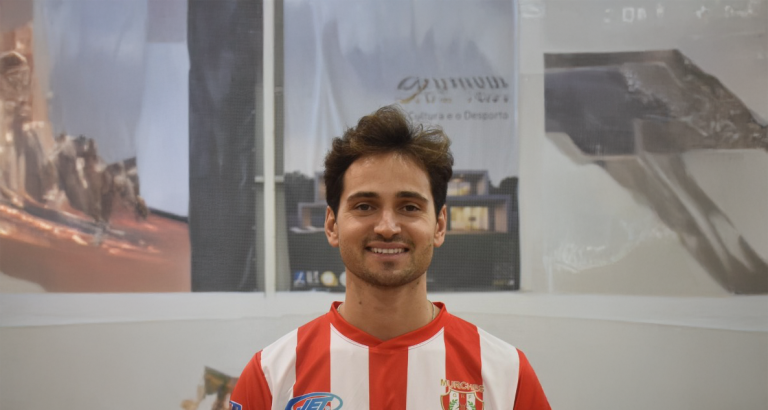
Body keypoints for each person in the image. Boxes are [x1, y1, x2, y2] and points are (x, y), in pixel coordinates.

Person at [230, 105, 550, 410]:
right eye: (364, 206)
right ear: (331, 225)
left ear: (439, 226)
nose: (387, 227)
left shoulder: (507, 376)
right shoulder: (270, 376)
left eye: (409, 207)